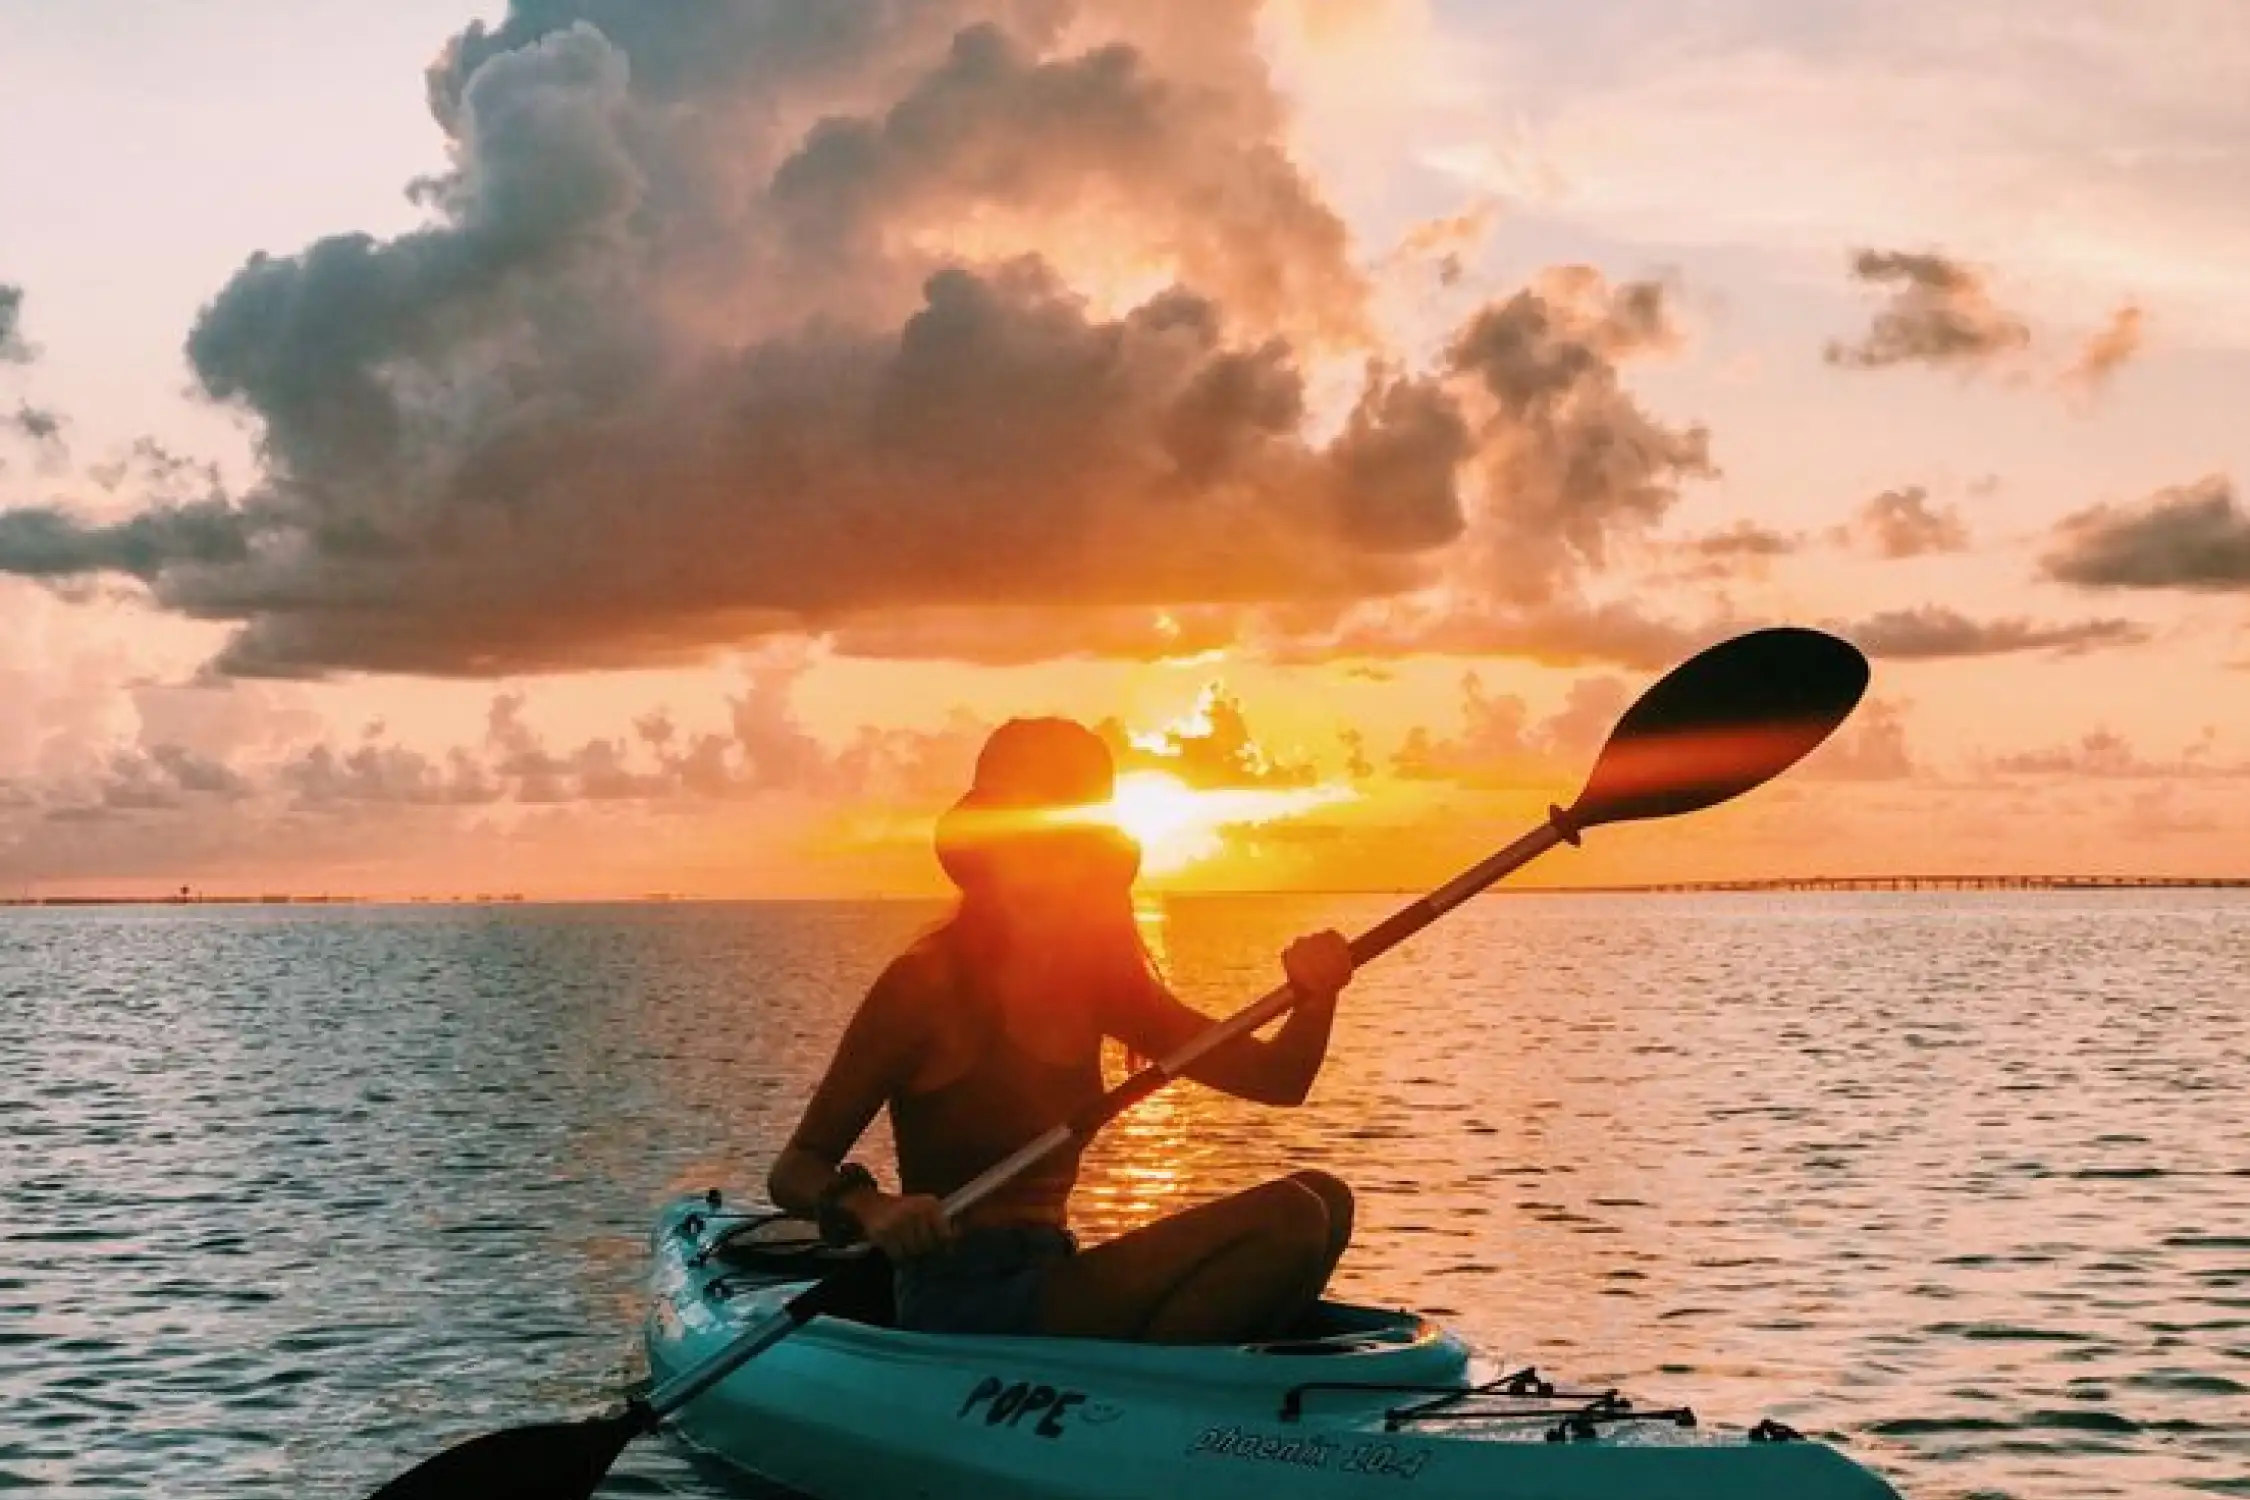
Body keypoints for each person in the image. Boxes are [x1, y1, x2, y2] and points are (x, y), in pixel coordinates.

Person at [767, 717, 1355, 1344]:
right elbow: (795, 1169)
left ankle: (1193, 1398)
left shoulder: (1099, 982)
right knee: (1290, 1217)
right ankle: (1154, 1399)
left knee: (1325, 1198)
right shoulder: (924, 985)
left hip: (1050, 1272)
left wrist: (1317, 998)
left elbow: (1278, 1078)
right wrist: (872, 1208)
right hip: (960, 1298)